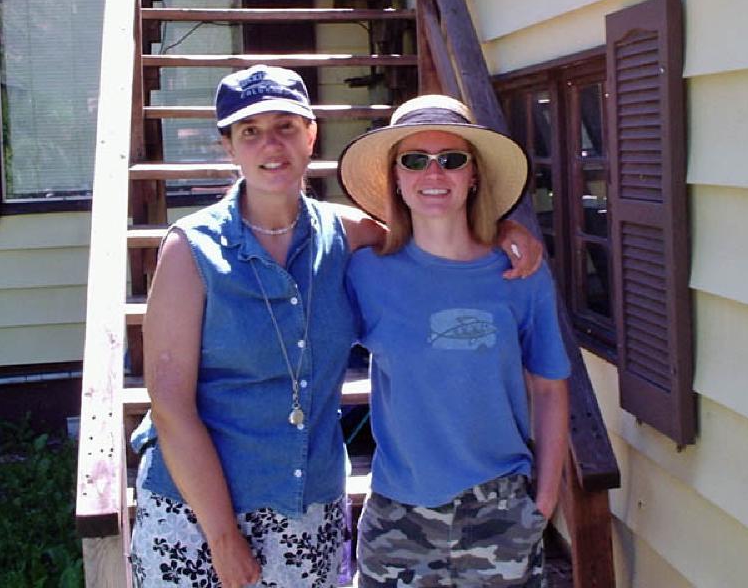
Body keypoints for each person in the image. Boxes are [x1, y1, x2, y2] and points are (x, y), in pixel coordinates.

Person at [128, 66, 543, 588]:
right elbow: (170, 404)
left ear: (311, 135)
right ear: (229, 147)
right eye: (250, 131)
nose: (271, 144)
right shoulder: (191, 250)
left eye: (285, 126)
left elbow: (435, 227)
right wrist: (222, 536)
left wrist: (502, 229)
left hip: (309, 507)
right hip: (197, 514)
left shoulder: (346, 234)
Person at [340, 94, 571, 587]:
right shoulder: (365, 272)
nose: (433, 173)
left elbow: (550, 388)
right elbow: (292, 218)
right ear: (395, 177)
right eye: (414, 160)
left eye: (451, 159)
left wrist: (544, 503)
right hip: (399, 516)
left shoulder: (520, 272)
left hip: (501, 509)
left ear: (474, 175)